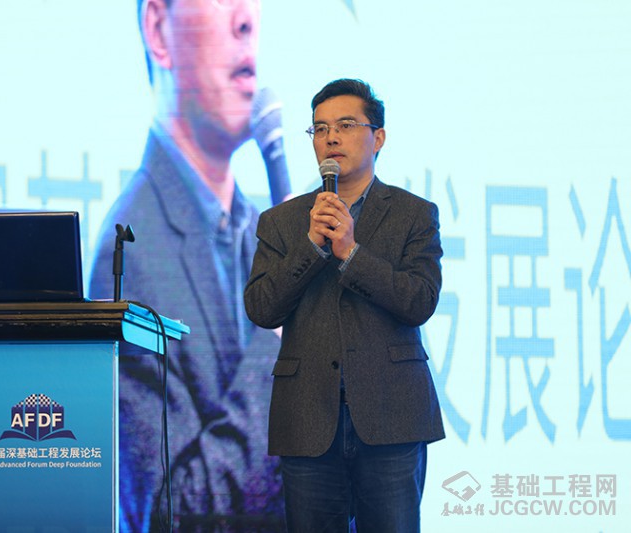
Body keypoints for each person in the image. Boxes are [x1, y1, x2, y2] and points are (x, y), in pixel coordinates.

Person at [89, 0, 284, 531]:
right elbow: (171, 515)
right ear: (158, 29)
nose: (246, 19)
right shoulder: (128, 252)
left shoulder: (263, 232)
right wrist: (281, 337)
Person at [244, 78, 445, 532]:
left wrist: (351, 253)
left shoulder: (414, 214)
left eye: (346, 125)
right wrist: (311, 248)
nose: (330, 137)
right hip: (307, 416)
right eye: (319, 129)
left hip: (392, 414)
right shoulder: (281, 221)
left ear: (378, 137)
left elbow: (419, 301)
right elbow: (261, 308)